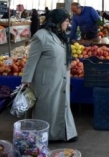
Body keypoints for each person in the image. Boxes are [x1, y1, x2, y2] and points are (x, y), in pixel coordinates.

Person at [21, 9, 78, 142]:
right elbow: (32, 60)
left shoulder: (61, 35)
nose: (67, 23)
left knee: (62, 105)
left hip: (61, 77)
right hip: (47, 80)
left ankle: (65, 133)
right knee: (48, 108)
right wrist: (26, 80)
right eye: (65, 21)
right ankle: (46, 135)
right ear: (57, 21)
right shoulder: (41, 36)